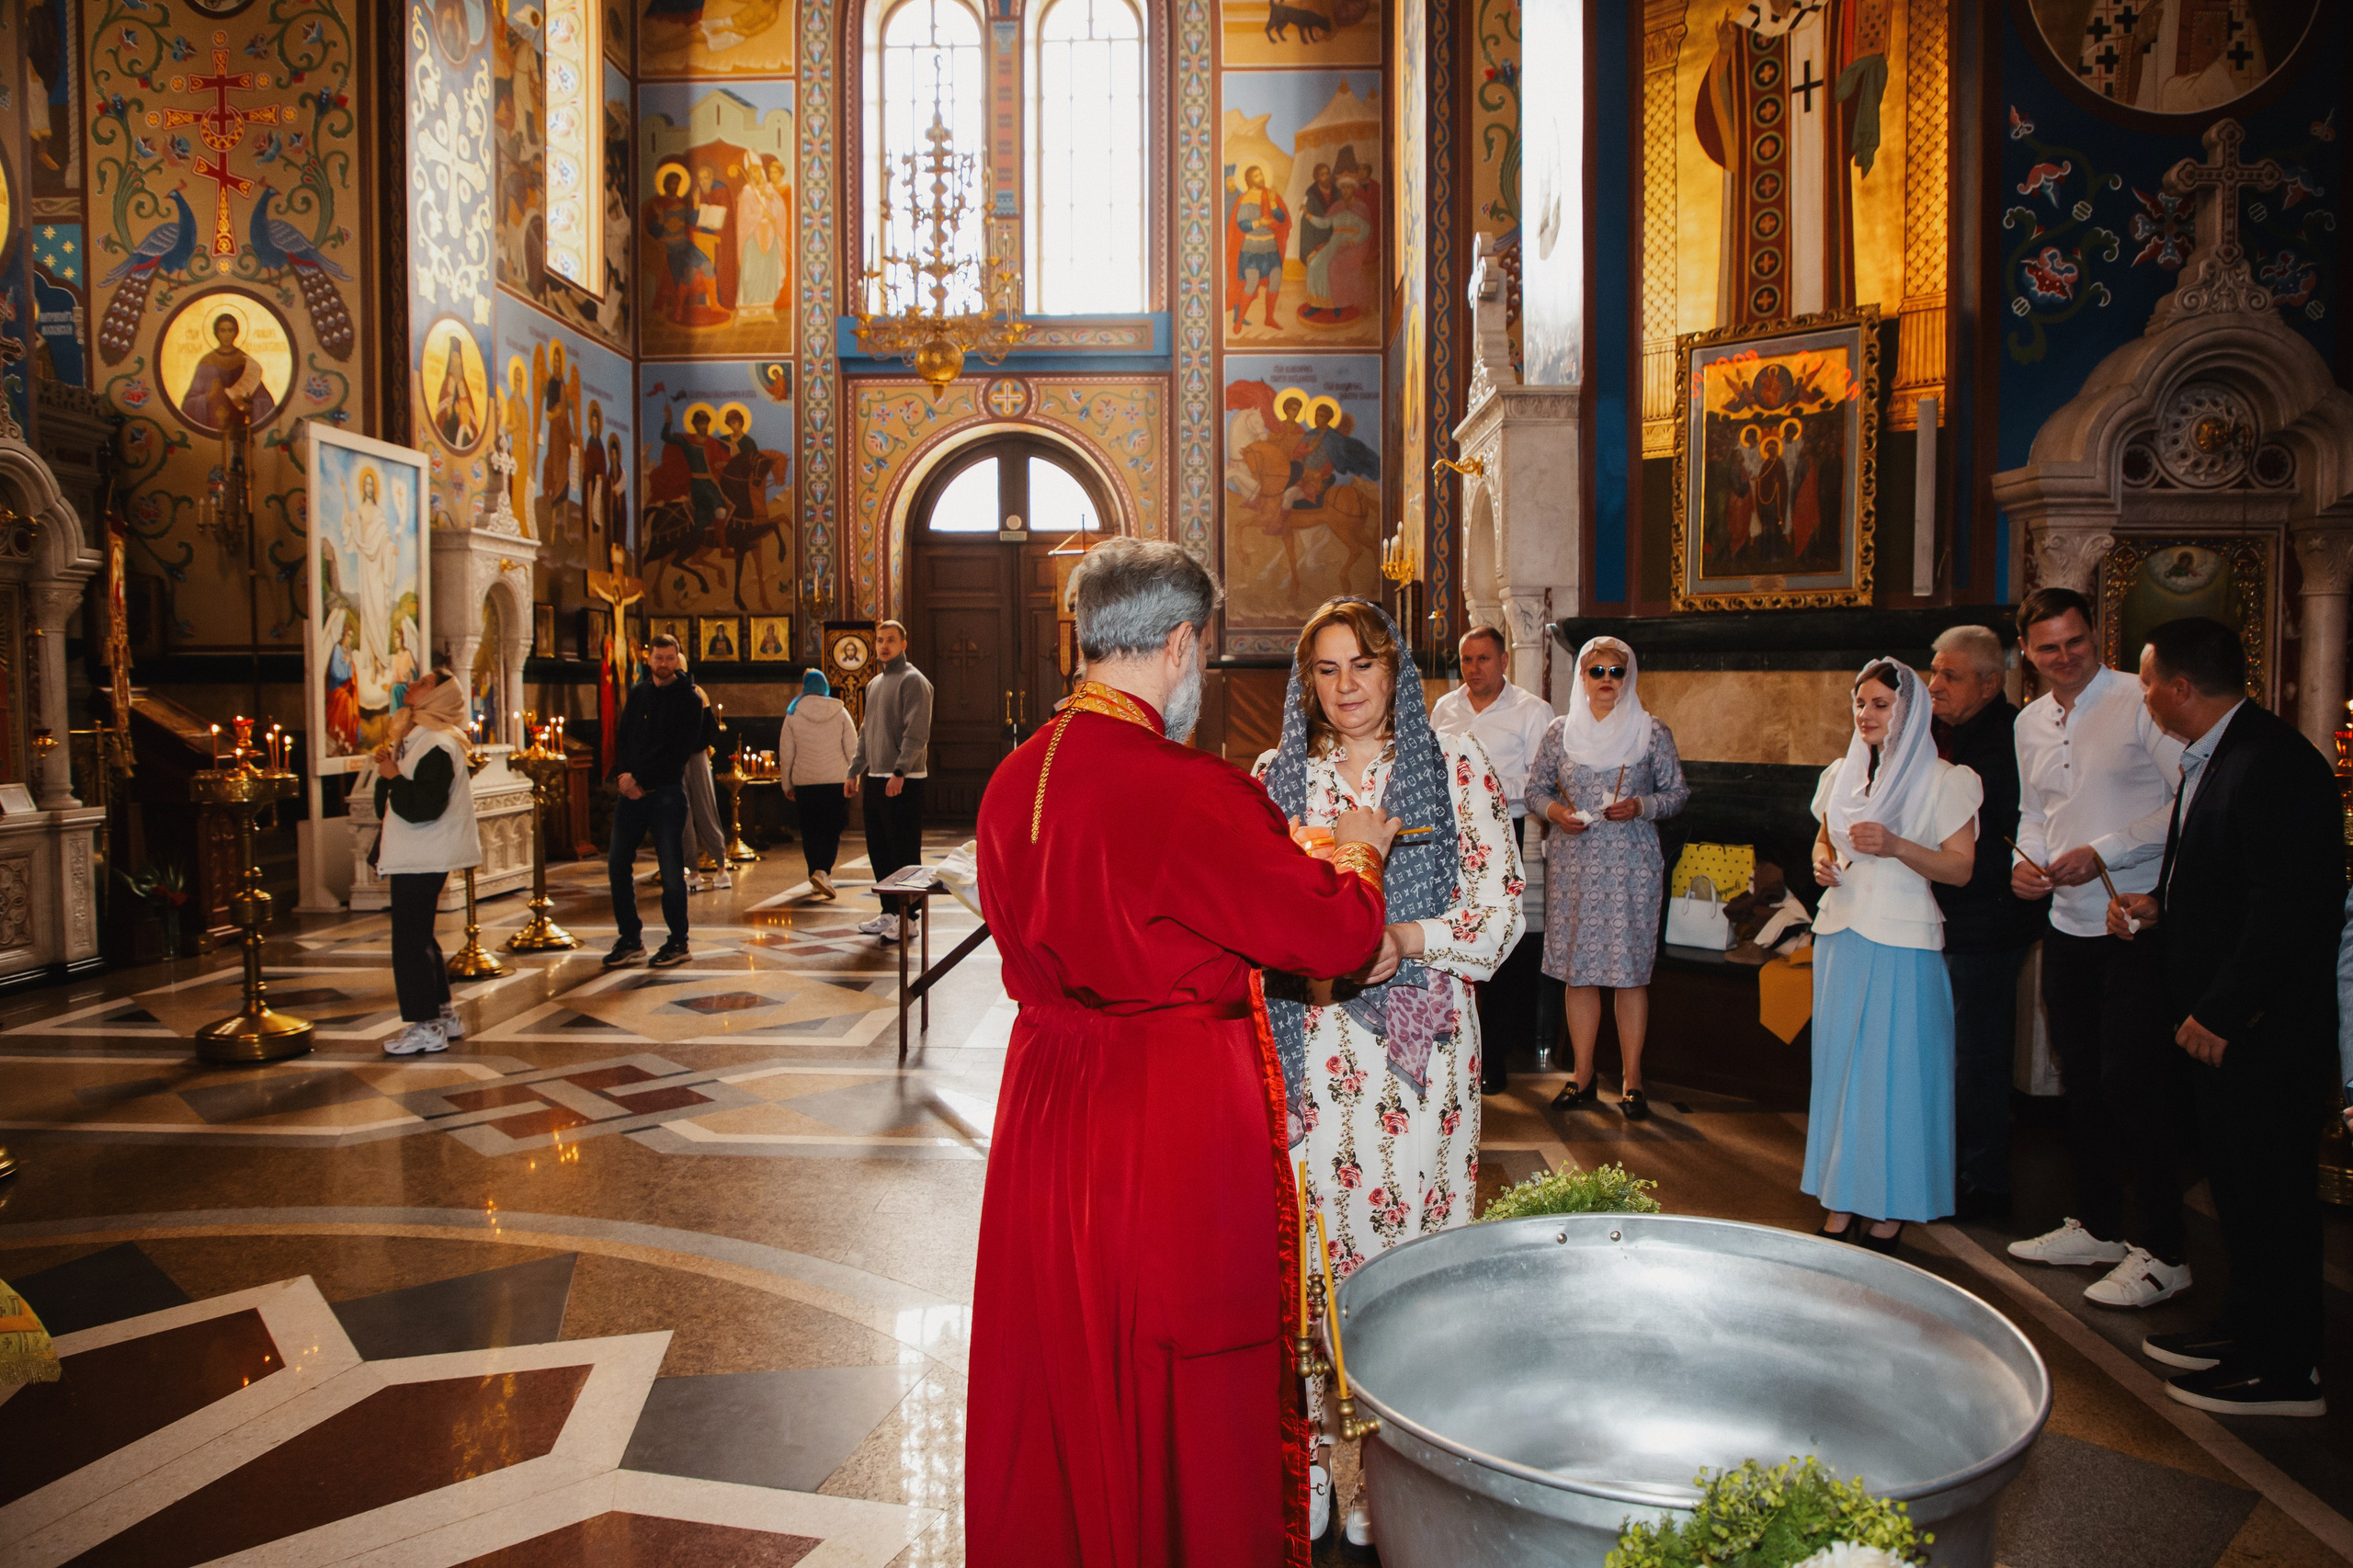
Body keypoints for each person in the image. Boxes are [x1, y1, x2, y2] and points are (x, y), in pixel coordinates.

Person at [969, 539, 1399, 1568]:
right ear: (1177, 644)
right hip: (1164, 1111)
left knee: (1068, 1347)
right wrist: (1361, 849)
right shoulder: (1184, 786)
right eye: (1199, 646)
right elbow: (1335, 933)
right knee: (1180, 1355)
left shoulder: (1012, 775)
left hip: (1048, 1104)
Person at [1255, 597, 1523, 1556]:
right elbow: (1254, 918)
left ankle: (1402, 1467)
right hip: (1318, 1047)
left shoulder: (1451, 765)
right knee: (1322, 1258)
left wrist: (1409, 936)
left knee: (1415, 1258)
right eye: (1324, 669)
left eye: (1360, 663)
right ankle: (1324, 1458)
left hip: (1423, 1056)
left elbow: (1500, 914)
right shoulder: (1278, 778)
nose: (1346, 685)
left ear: (1393, 667)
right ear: (1306, 684)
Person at [2109, 617, 2343, 1417]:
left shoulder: (2273, 763)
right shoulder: (2222, 753)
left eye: (2145, 682)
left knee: (2271, 1197)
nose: (2143, 697)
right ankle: (2249, 1329)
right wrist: (2161, 905)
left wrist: (2221, 1008)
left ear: (2179, 687)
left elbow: (2291, 910)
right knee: (2240, 1193)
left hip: (2262, 1032)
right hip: (2227, 1027)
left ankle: (2287, 1372)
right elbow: (2228, 883)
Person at [2005, 587, 2192, 1310]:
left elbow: (2188, 801)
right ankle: (2100, 1226)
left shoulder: (2139, 702)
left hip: (2136, 919)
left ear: (2095, 634)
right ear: (2028, 651)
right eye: (2048, 648)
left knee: (2134, 1086)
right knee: (2079, 1079)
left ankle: (2166, 1251)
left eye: (2074, 642)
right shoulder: (2029, 722)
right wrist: (2025, 865)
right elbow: (2036, 810)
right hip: (2067, 921)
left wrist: (2104, 850)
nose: (2064, 658)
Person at [1806, 658, 1981, 1252]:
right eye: (1860, 703)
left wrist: (1899, 846)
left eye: (1880, 704)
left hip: (1903, 939)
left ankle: (1890, 1203)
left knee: (1893, 1074)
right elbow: (1824, 835)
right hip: (1841, 935)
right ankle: (1839, 1193)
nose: (1866, 715)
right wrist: (1821, 863)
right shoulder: (1841, 774)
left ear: (1910, 711)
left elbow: (1960, 868)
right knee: (1842, 1071)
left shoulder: (1945, 780)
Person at [1525, 638, 1688, 1121]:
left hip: (1631, 866)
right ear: (1581, 677)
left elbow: (1677, 793)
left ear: (1629, 677)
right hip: (1575, 865)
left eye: (1616, 672)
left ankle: (1633, 1079)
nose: (1606, 681)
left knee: (1628, 972)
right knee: (1579, 972)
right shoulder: (1560, 732)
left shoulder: (1651, 731)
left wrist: (1641, 805)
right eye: (1596, 671)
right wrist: (1556, 812)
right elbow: (1533, 790)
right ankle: (1582, 1074)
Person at [1925, 623, 2045, 1221]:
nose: (1934, 685)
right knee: (1952, 1053)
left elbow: (2005, 839)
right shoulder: (1948, 734)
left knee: (1977, 1057)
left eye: (1950, 675)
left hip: (1985, 923)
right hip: (1950, 919)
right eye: (1934, 670)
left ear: (1990, 682)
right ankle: (1954, 1171)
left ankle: (1985, 1184)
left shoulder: (2007, 740)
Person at [1430, 625, 1556, 1093]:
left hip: (1509, 830)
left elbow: (1543, 779)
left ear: (1504, 661)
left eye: (1483, 659)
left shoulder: (1531, 711)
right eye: (1467, 660)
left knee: (1503, 939)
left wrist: (1486, 795)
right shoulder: (1446, 708)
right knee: (1456, 933)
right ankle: (1453, 1046)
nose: (1474, 669)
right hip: (1451, 836)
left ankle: (1496, 1053)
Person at [372, 666, 480, 1057]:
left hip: (422, 852)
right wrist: (390, 773)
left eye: (422, 684)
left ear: (438, 696)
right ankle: (444, 1015)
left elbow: (423, 807)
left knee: (409, 941)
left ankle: (425, 1027)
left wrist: (392, 776)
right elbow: (393, 801)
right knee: (421, 936)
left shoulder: (437, 742)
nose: (411, 687)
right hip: (416, 852)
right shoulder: (419, 737)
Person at [606, 632, 703, 969]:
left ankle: (678, 941)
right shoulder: (638, 694)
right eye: (657, 658)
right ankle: (630, 938)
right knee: (617, 864)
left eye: (669, 658)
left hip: (665, 794)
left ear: (678, 659)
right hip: (630, 793)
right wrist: (622, 775)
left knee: (671, 871)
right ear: (649, 660)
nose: (663, 664)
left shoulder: (689, 700)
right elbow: (624, 739)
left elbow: (678, 752)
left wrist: (639, 779)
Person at [848, 619, 934, 939]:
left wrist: (900, 771)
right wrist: (854, 770)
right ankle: (888, 912)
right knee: (880, 849)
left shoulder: (914, 681)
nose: (884, 645)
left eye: (891, 640)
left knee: (904, 850)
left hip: (904, 779)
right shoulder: (873, 685)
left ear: (903, 644)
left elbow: (917, 732)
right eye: (880, 640)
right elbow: (865, 732)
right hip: (876, 777)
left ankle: (909, 917)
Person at [780, 668, 858, 900]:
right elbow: (852, 749)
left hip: (806, 783)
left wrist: (787, 784)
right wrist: (854, 778)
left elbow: (787, 753)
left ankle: (815, 870)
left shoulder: (793, 713)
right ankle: (823, 870)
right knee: (831, 829)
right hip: (836, 781)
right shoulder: (840, 711)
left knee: (810, 829)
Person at [682, 682, 733, 893]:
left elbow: (709, 728)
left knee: (697, 810)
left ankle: (708, 871)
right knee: (692, 812)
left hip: (686, 757)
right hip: (691, 756)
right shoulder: (698, 692)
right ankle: (705, 871)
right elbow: (711, 729)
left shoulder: (694, 692)